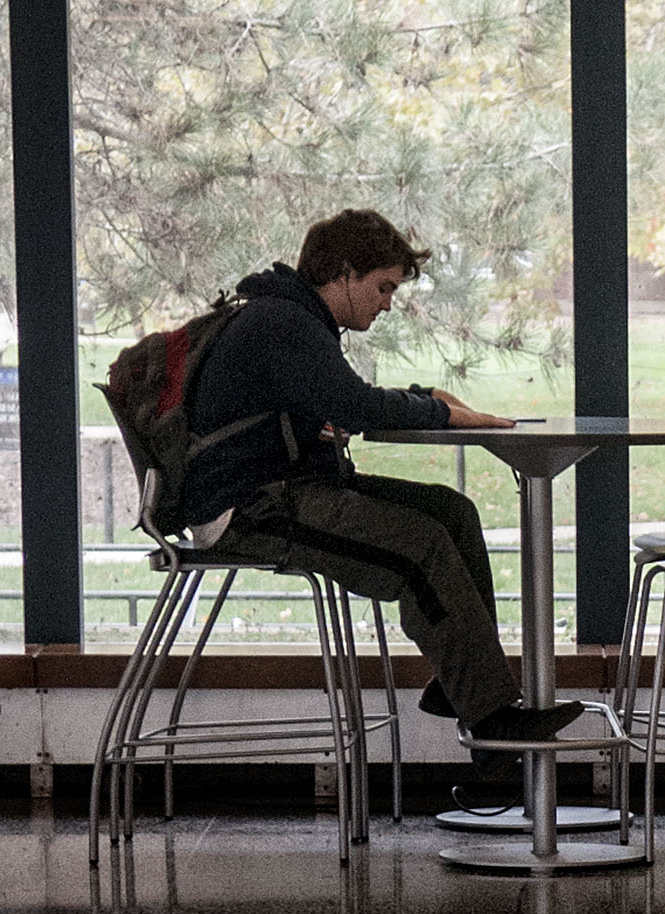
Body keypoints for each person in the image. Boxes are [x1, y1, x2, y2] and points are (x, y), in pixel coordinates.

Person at [182, 209, 584, 772]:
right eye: (383, 287)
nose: (389, 303)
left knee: (451, 511)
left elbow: (341, 399)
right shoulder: (283, 322)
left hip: (284, 490)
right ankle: (493, 721)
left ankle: (460, 687)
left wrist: (425, 399)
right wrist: (440, 412)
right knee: (421, 546)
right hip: (250, 509)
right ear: (345, 273)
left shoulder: (292, 316)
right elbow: (357, 406)